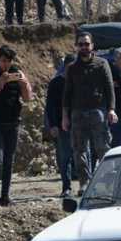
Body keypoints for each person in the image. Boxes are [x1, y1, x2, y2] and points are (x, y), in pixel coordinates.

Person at [62, 32, 117, 195]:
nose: (84, 47)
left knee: (102, 148)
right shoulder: (72, 68)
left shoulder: (102, 64)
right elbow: (67, 94)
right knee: (79, 151)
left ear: (92, 46)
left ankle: (109, 185)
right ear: (76, 46)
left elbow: (109, 88)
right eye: (81, 44)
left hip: (98, 112)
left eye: (86, 44)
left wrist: (111, 109)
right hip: (77, 113)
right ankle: (84, 184)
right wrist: (65, 116)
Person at [0, 45, 33, 207]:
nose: (5, 64)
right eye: (3, 61)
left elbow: (28, 98)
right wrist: (0, 83)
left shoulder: (17, 73)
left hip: (13, 122)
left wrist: (24, 83)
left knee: (9, 160)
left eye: (8, 61)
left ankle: (5, 196)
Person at [46, 54, 75, 196]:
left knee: (83, 155)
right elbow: (50, 106)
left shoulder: (79, 81)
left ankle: (85, 186)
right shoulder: (56, 83)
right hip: (61, 125)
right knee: (64, 157)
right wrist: (52, 125)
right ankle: (66, 186)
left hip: (79, 124)